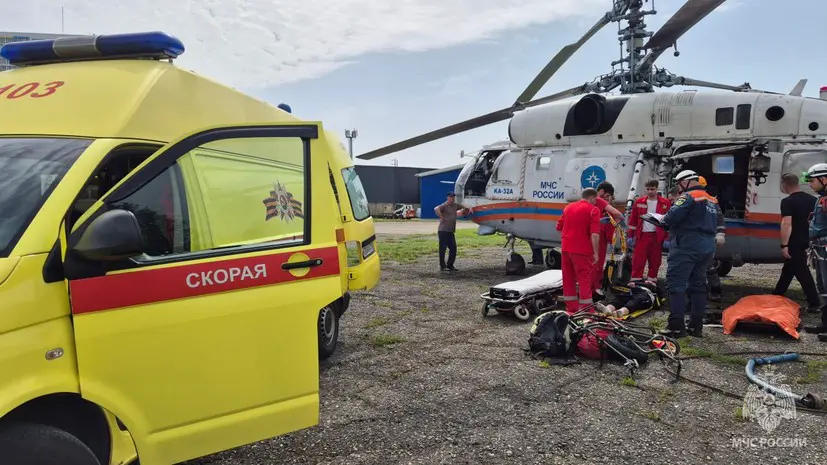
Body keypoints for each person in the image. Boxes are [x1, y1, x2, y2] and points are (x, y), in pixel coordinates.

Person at [659, 170, 719, 337]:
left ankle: (676, 326)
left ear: (685, 182)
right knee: (698, 285)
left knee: (675, 284)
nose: (678, 188)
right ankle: (695, 326)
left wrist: (662, 220)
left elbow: (671, 217)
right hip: (706, 247)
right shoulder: (711, 199)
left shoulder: (688, 197)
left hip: (686, 245)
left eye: (679, 184)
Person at [772, 173, 821, 313]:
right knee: (788, 269)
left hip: (794, 242)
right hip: (808, 240)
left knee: (802, 272)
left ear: (784, 184)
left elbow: (787, 224)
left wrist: (784, 245)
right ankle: (777, 295)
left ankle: (815, 303)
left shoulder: (788, 201)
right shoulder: (813, 200)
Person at [556, 188, 601, 314]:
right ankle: (587, 309)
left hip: (566, 248)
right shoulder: (593, 210)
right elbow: (595, 234)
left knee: (568, 278)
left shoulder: (568, 207)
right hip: (582, 250)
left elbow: (559, 226)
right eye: (595, 199)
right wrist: (596, 253)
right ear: (592, 197)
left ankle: (571, 308)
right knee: (584, 278)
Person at [628, 179, 671, 282]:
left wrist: (667, 238)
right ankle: (635, 285)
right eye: (648, 189)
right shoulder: (639, 202)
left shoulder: (665, 203)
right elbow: (633, 221)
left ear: (657, 188)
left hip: (657, 237)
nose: (650, 191)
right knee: (638, 262)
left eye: (652, 189)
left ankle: (652, 284)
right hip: (641, 236)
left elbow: (669, 222)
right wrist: (630, 236)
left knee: (655, 262)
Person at [803, 163, 827, 338]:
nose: (810, 184)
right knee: (823, 287)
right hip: (819, 247)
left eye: (812, 180)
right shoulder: (821, 198)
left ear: (824, 179)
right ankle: (825, 323)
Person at [593, 182, 625, 299]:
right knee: (597, 265)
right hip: (598, 239)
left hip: (585, 239)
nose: (607, 200)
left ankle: (588, 289)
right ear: (601, 192)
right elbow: (619, 215)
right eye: (607, 196)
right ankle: (594, 290)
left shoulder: (585, 201)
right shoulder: (601, 203)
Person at [434, 192, 468, 271]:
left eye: (453, 197)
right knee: (442, 248)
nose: (452, 198)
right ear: (447, 198)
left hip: (450, 231)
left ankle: (450, 265)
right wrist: (441, 216)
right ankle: (443, 266)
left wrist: (466, 211)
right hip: (443, 230)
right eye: (451, 197)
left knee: (453, 248)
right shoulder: (444, 205)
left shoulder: (455, 205)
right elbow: (436, 208)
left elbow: (465, 207)